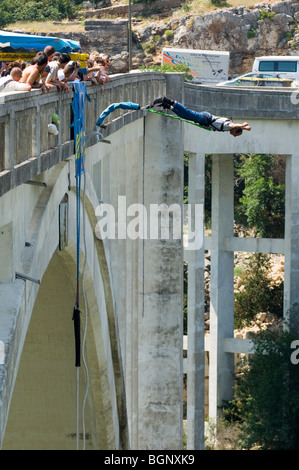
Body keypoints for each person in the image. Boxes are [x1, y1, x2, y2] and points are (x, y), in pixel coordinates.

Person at [150, 96, 251, 137]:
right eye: (235, 134)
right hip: (205, 119)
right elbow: (234, 126)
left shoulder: (229, 127)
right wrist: (243, 126)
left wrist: (243, 127)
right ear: (235, 130)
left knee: (183, 115)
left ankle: (167, 105)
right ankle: (167, 100)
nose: (233, 135)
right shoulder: (230, 125)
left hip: (205, 120)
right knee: (187, 112)